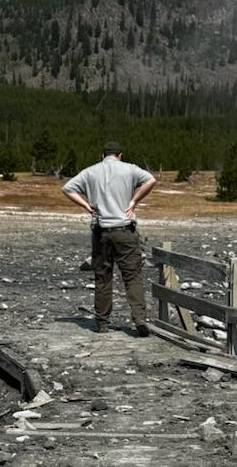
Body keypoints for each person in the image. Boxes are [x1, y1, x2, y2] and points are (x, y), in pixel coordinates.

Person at [62, 141, 157, 336]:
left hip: (101, 230)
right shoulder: (130, 169)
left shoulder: (90, 172)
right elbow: (151, 180)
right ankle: (139, 318)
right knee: (132, 276)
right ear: (120, 155)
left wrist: (87, 206)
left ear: (103, 155)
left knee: (103, 277)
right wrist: (133, 201)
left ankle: (102, 323)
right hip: (124, 229)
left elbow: (67, 188)